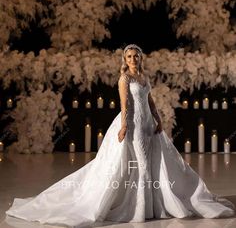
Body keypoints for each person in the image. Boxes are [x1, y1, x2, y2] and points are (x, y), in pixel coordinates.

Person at [5, 44, 235, 227]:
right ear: (124, 61)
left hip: (147, 125)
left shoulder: (144, 78)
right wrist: (124, 126)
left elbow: (150, 100)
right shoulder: (124, 79)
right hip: (133, 124)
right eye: (129, 57)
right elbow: (125, 105)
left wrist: (159, 119)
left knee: (154, 164)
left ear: (140, 59)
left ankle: (154, 207)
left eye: (136, 56)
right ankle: (138, 209)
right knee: (140, 164)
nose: (133, 59)